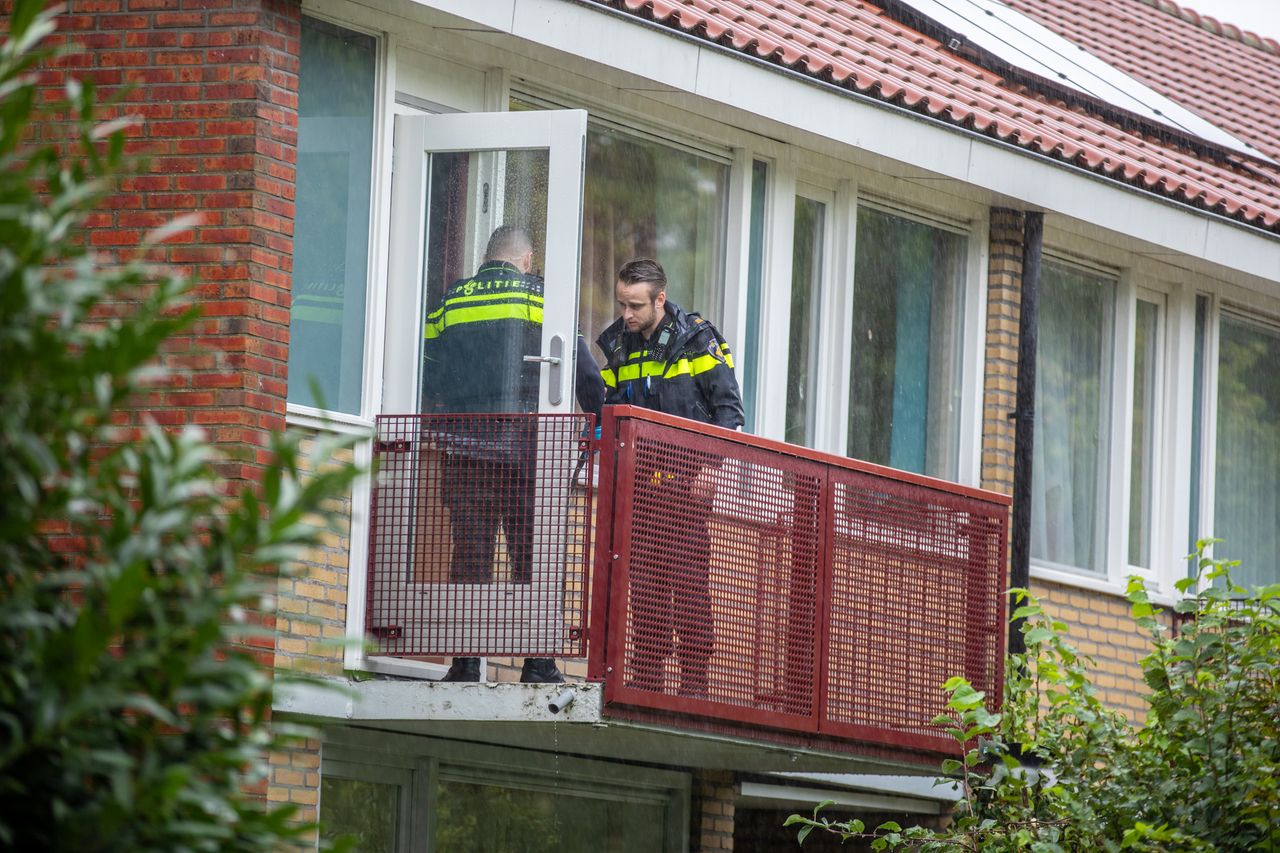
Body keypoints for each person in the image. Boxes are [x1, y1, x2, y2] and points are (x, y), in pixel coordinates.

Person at [421, 224, 604, 684]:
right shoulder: (543, 297)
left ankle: (465, 664)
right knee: (532, 555)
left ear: (488, 257)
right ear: (526, 259)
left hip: (464, 449)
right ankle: (538, 665)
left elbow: (429, 370)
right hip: (527, 452)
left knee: (471, 557)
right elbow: (582, 371)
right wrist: (599, 419)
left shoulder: (451, 300)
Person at [596, 258, 743, 697]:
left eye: (636, 305)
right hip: (640, 488)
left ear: (661, 298)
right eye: (622, 304)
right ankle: (648, 680)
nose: (627, 315)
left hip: (688, 485)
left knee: (689, 583)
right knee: (645, 586)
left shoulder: (698, 339)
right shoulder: (618, 344)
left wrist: (712, 471)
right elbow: (609, 409)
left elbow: (729, 411)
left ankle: (694, 682)